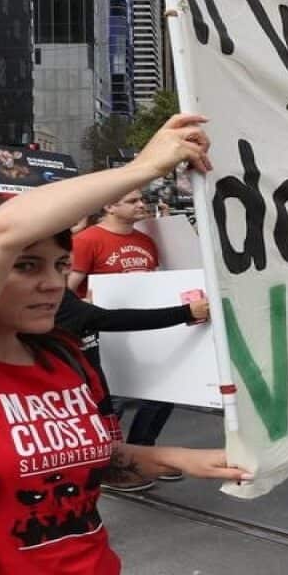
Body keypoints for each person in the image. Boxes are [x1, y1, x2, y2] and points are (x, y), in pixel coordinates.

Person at [0, 114, 246, 574]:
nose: (53, 283)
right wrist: (144, 168)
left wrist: (186, 458)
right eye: (27, 266)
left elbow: (84, 459)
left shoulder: (63, 355)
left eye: (59, 265)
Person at [67, 188, 181, 489]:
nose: (141, 205)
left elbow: (155, 282)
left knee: (166, 390)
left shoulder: (146, 241)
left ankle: (140, 454)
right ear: (109, 205)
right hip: (104, 332)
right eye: (132, 201)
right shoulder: (87, 240)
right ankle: (111, 464)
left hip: (144, 326)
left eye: (142, 199)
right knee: (112, 398)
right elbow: (67, 290)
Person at [54, 286, 211, 492]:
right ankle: (107, 472)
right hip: (72, 386)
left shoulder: (61, 294)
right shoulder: (52, 298)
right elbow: (113, 319)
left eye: (61, 263)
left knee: (105, 429)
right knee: (92, 437)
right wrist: (186, 312)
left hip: (90, 379)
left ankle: (118, 467)